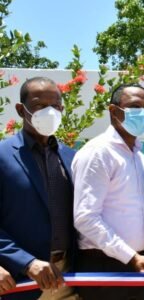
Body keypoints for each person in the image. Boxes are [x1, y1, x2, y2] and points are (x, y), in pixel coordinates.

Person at [72, 84, 144, 300]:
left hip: (135, 265)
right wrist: (130, 256)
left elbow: (140, 210)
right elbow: (85, 218)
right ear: (113, 111)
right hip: (104, 266)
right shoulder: (98, 153)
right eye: (134, 106)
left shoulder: (137, 155)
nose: (143, 113)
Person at [0, 77, 78, 300]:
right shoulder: (3, 156)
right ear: (20, 109)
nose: (49, 112)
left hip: (68, 279)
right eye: (39, 106)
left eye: (55, 106)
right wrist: (26, 262)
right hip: (21, 281)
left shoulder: (72, 158)